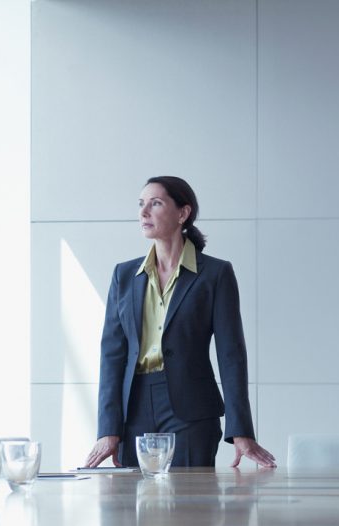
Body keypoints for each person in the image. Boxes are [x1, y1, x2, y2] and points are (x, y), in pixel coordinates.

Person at [83, 176, 276, 469]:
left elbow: (231, 354)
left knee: (191, 509)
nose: (144, 212)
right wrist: (108, 429)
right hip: (133, 408)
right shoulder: (123, 276)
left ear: (183, 213)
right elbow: (112, 355)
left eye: (155, 203)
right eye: (141, 204)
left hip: (192, 411)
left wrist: (241, 431)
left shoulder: (215, 274)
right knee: (134, 509)